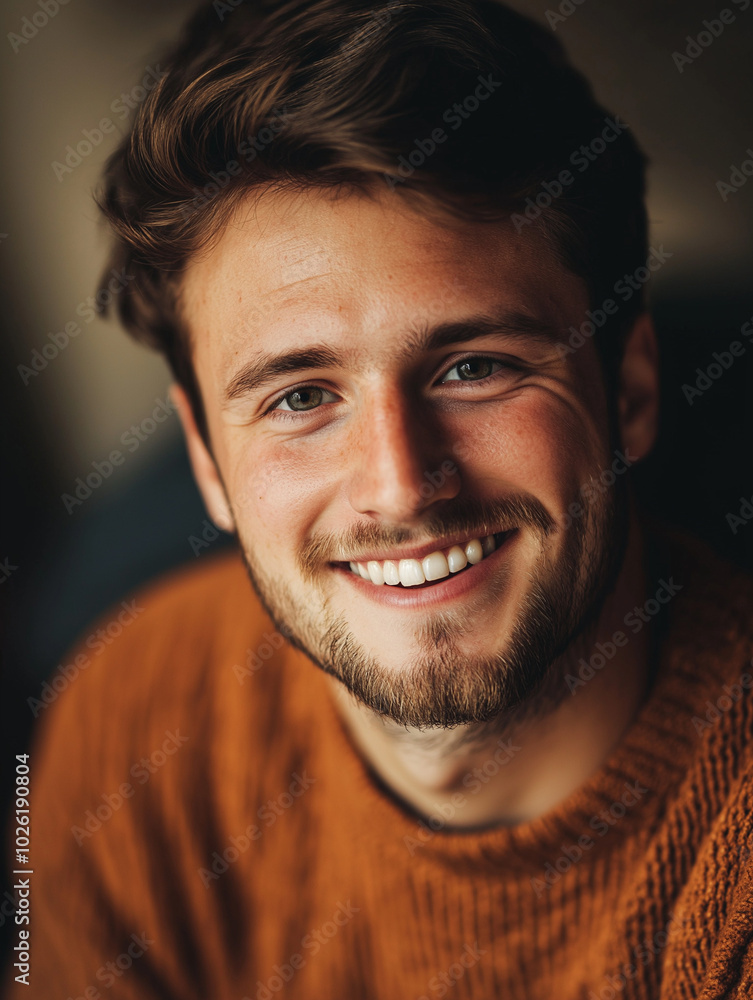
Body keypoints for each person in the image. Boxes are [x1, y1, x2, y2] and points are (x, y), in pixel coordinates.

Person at [6, 1, 753, 997]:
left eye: (474, 366)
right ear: (205, 460)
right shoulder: (130, 719)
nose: (401, 484)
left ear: (632, 389)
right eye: (302, 397)